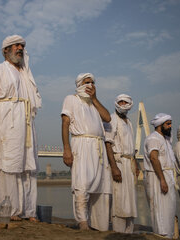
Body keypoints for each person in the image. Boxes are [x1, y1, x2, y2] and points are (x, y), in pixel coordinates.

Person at [0, 35, 42, 224]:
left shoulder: (26, 75)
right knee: (9, 164)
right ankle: (12, 209)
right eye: (16, 45)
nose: (20, 48)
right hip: (7, 122)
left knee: (28, 166)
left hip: (26, 122)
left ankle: (29, 211)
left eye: (22, 46)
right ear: (5, 50)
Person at [61, 73, 112, 231]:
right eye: (86, 82)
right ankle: (82, 221)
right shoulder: (71, 99)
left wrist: (95, 99)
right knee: (82, 184)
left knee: (99, 186)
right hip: (81, 144)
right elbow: (65, 123)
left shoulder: (94, 104)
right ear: (79, 85)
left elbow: (108, 118)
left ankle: (97, 223)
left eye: (92, 83)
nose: (90, 85)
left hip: (98, 147)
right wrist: (67, 149)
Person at [104, 94, 139, 233]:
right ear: (116, 103)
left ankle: (129, 232)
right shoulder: (113, 119)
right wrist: (114, 167)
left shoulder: (129, 122)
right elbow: (108, 143)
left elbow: (131, 149)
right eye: (120, 102)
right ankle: (118, 232)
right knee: (119, 200)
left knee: (130, 201)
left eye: (126, 102)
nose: (123, 104)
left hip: (129, 164)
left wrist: (135, 165)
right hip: (118, 163)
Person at [143, 113, 176, 238]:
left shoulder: (165, 140)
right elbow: (153, 158)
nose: (170, 126)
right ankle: (161, 236)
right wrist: (162, 180)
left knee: (169, 210)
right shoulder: (153, 139)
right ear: (159, 125)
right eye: (167, 124)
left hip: (166, 175)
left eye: (170, 123)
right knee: (160, 211)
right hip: (156, 178)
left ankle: (168, 235)